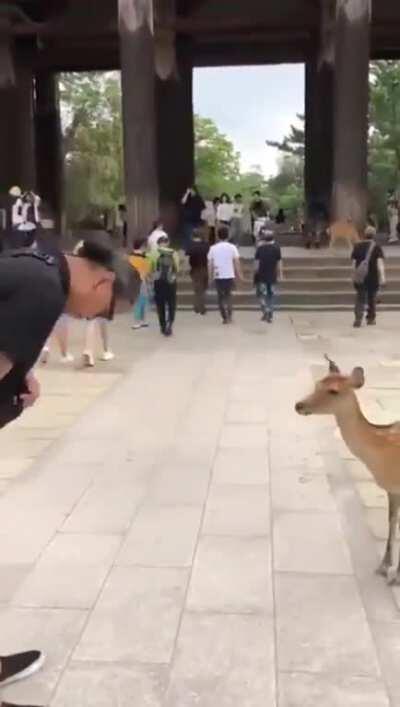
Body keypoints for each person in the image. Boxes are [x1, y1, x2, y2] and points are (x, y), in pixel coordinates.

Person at [0, 239, 140, 707]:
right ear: (101, 281)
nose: (92, 320)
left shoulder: (32, 262)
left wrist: (20, 373)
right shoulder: (44, 290)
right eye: (104, 311)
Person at [352, 225, 385, 328]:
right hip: (373, 277)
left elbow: (353, 264)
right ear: (374, 235)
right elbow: (380, 264)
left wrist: (354, 275)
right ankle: (370, 319)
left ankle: (358, 318)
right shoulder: (377, 247)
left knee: (360, 298)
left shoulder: (357, 246)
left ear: (364, 235)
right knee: (372, 298)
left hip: (360, 277)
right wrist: (383, 277)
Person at [208, 226, 242, 324]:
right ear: (228, 236)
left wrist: (210, 276)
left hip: (218, 275)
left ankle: (224, 317)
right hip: (229, 275)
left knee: (220, 297)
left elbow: (210, 264)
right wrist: (239, 274)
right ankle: (230, 315)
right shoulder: (232, 247)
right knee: (228, 296)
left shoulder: (213, 248)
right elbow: (236, 262)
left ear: (218, 236)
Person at [151, 235, 180, 336]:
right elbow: (177, 268)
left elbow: (150, 268)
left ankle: (163, 326)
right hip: (171, 281)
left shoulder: (154, 253)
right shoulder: (174, 253)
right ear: (168, 243)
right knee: (171, 303)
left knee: (160, 305)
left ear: (158, 243)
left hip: (158, 282)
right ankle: (170, 323)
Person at [254, 230, 283, 323]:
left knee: (262, 295)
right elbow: (279, 263)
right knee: (271, 295)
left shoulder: (260, 249)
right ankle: (270, 312)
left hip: (261, 276)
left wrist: (255, 274)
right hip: (272, 275)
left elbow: (256, 264)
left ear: (264, 239)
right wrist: (280, 274)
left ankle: (265, 311)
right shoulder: (276, 248)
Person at [186, 228, 210, 315]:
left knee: (197, 289)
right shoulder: (206, 245)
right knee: (203, 289)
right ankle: (201, 306)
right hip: (204, 268)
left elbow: (187, 257)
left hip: (195, 269)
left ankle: (198, 306)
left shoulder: (190, 246)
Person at [129, 239, 151, 329]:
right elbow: (148, 270)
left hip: (135, 281)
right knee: (142, 301)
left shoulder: (130, 258)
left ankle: (139, 321)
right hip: (142, 280)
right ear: (142, 247)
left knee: (139, 301)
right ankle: (141, 320)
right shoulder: (144, 258)